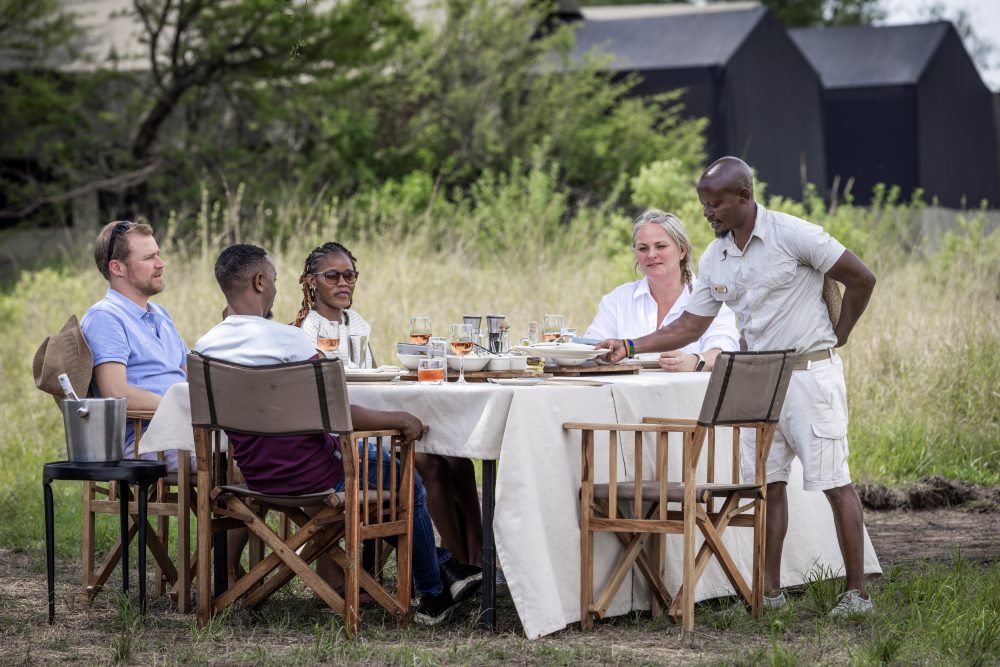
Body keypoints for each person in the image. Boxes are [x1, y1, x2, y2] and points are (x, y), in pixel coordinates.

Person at [600, 157, 877, 617]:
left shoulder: (795, 234)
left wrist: (840, 334)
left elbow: (862, 279)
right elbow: (690, 325)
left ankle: (857, 596)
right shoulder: (716, 256)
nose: (707, 214)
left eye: (714, 205)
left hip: (810, 376)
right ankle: (767, 596)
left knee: (834, 482)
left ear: (744, 197)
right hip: (757, 379)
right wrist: (630, 345)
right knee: (766, 486)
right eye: (703, 205)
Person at [195, 243, 481, 625]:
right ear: (260, 282)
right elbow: (337, 412)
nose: (277, 288)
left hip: (256, 477)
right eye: (275, 280)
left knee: (394, 472)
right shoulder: (290, 341)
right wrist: (399, 418)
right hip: (318, 473)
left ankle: (440, 572)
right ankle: (434, 591)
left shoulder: (205, 348)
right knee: (406, 479)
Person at [293, 242, 485, 568]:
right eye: (332, 276)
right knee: (434, 466)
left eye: (349, 275)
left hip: (374, 422)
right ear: (312, 281)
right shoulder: (306, 332)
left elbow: (372, 378)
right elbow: (324, 400)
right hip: (348, 433)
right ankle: (453, 567)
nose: (343, 283)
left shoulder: (355, 322)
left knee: (459, 461)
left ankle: (478, 558)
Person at [81, 220, 187, 464]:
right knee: (250, 463)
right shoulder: (105, 318)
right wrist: (182, 410)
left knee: (262, 446)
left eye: (158, 255)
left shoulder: (161, 314)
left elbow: (193, 377)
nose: (161, 264)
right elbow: (116, 393)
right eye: (149, 258)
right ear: (117, 268)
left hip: (184, 433)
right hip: (145, 439)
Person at [584, 209, 739, 371]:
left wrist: (695, 360)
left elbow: (724, 354)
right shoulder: (617, 300)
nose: (651, 255)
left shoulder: (711, 298)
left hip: (689, 394)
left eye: (661, 246)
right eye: (643, 248)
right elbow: (591, 348)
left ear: (681, 251)